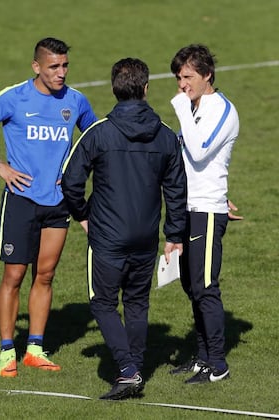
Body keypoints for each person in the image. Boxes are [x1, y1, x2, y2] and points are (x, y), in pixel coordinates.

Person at [0, 37, 97, 378]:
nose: (61, 73)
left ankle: (35, 348)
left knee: (45, 275)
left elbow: (96, 139)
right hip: (20, 199)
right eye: (53, 67)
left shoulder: (76, 101)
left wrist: (77, 183)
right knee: (14, 275)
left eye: (65, 66)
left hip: (58, 204)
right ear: (36, 67)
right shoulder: (14, 97)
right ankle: (8, 350)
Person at [61, 58, 187, 400]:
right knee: (136, 303)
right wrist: (174, 234)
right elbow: (177, 189)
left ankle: (128, 371)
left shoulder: (98, 133)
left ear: (114, 89)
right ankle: (136, 367)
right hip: (146, 237)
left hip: (107, 236)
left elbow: (70, 182)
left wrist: (83, 215)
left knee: (102, 303)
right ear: (146, 88)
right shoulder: (164, 135)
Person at [169, 44, 240, 384]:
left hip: (207, 212)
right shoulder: (195, 108)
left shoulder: (221, 110)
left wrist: (182, 107)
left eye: (188, 77)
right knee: (191, 286)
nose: (182, 84)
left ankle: (218, 364)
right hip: (187, 209)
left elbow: (197, 153)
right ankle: (202, 358)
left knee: (205, 287)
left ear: (207, 75)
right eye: (179, 78)